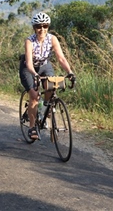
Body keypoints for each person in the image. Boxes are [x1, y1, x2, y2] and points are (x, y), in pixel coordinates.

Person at [19, 12, 75, 140]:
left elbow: (61, 58)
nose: (42, 29)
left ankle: (45, 109)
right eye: (39, 26)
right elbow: (28, 62)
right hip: (28, 69)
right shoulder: (29, 41)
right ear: (34, 27)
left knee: (52, 87)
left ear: (48, 27)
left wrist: (70, 72)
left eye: (45, 26)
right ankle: (32, 127)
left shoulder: (52, 39)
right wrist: (34, 74)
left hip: (45, 66)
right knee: (34, 96)